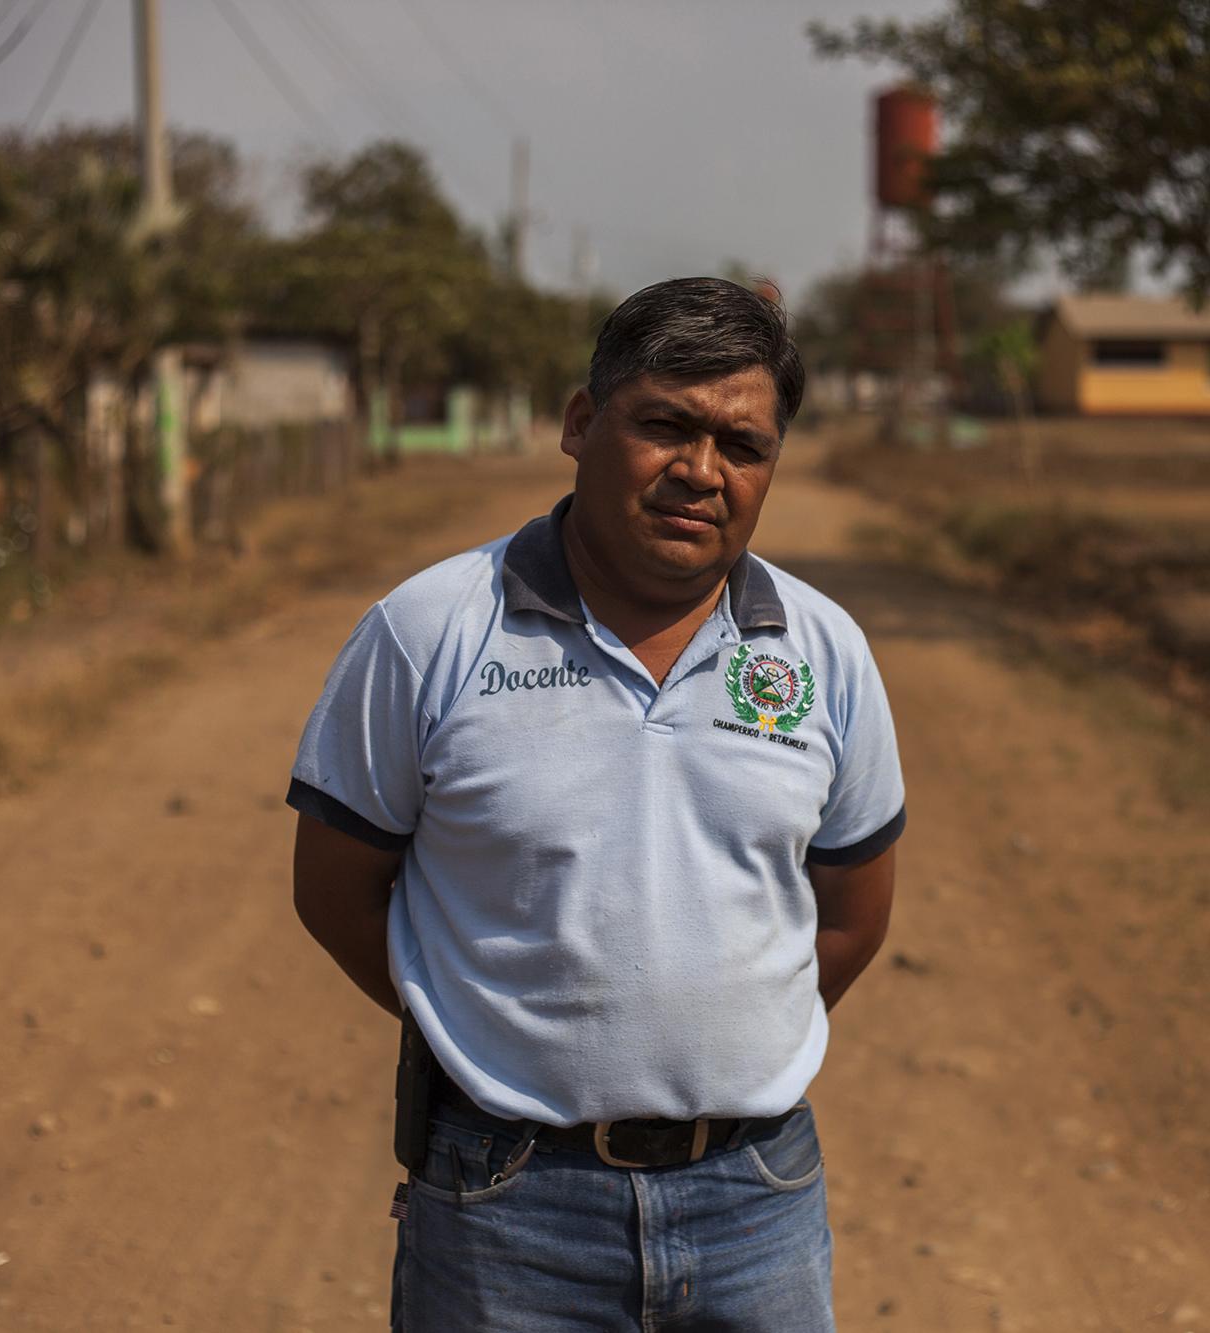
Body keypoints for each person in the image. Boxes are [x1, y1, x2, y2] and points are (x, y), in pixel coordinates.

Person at [286, 276, 906, 1331]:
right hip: (504, 1201)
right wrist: (496, 1032)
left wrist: (721, 1046)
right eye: (664, 424)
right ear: (581, 424)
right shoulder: (429, 630)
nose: (699, 472)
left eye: (742, 446)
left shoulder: (822, 650)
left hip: (755, 1200)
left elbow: (850, 914)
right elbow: (335, 889)